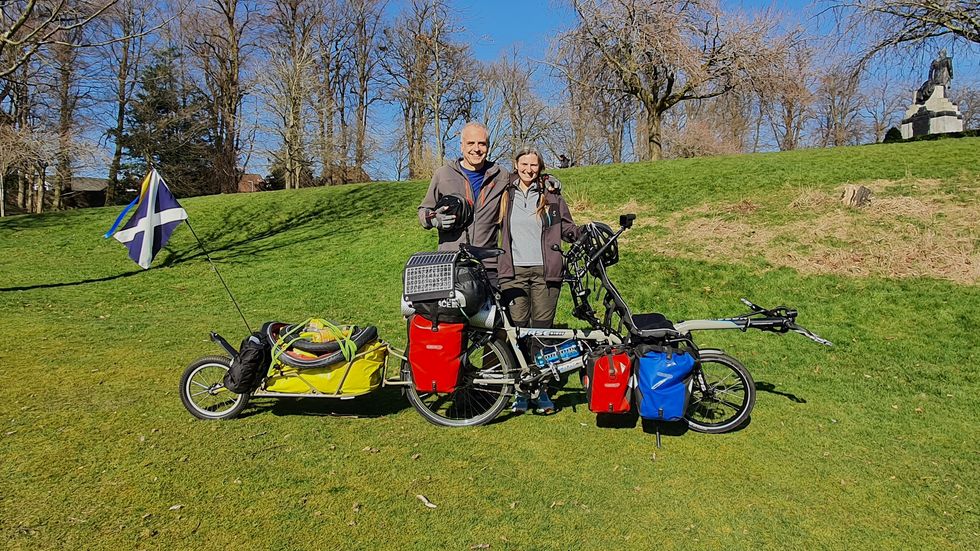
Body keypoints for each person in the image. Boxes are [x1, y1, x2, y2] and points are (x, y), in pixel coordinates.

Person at [497, 146, 581, 414]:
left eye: (534, 165)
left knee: (542, 333)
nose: (528, 169)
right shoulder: (505, 192)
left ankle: (541, 389)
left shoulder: (551, 194)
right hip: (513, 272)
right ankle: (521, 391)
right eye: (524, 164)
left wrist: (581, 233)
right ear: (516, 164)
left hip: (546, 273)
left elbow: (565, 226)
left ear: (540, 167)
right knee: (519, 332)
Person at [418, 122, 511, 281]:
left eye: (482, 143)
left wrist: (546, 180)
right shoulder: (443, 174)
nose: (476, 148)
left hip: (488, 265)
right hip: (451, 263)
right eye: (471, 143)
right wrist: (434, 219)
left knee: (493, 307)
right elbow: (423, 210)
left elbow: (525, 180)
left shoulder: (501, 175)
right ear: (462, 146)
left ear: (488, 146)